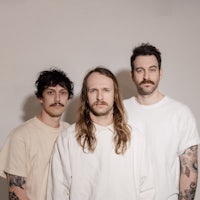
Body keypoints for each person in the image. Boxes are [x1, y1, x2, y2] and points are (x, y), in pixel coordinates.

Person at [46, 67, 155, 200]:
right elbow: (58, 192)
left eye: (106, 90)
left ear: (114, 95)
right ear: (86, 96)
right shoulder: (68, 139)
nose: (99, 97)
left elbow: (147, 190)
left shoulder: (135, 138)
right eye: (93, 91)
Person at [123, 43, 200, 200]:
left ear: (160, 72)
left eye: (152, 69)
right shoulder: (119, 111)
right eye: (140, 70)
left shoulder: (180, 113)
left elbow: (190, 171)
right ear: (132, 75)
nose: (146, 77)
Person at [0, 68, 74, 200]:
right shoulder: (20, 135)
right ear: (40, 97)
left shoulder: (72, 133)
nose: (57, 98)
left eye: (63, 93)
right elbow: (16, 194)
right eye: (51, 92)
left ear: (68, 98)